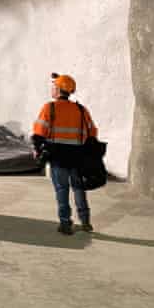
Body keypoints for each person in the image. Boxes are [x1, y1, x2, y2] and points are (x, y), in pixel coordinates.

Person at [31, 73, 98, 235]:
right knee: (79, 188)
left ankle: (65, 223)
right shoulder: (81, 110)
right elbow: (92, 133)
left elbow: (39, 132)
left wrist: (37, 149)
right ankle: (86, 221)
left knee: (62, 189)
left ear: (59, 89)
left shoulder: (49, 108)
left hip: (58, 157)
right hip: (78, 156)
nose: (52, 89)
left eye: (54, 87)